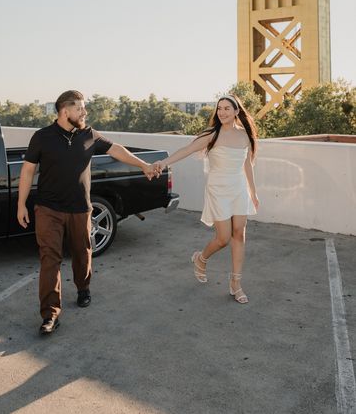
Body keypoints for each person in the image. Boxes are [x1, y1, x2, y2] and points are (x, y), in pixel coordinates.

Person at [17, 89, 158, 335]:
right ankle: (50, 314)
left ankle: (83, 288)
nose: (85, 112)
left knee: (82, 253)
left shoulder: (89, 135)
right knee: (50, 259)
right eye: (80, 108)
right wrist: (21, 204)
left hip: (80, 208)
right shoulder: (42, 137)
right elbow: (28, 171)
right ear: (65, 111)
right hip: (48, 209)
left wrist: (144, 164)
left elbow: (117, 150)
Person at [153, 94, 259, 304]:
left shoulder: (245, 135)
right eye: (219, 108)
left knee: (239, 234)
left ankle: (235, 284)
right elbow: (187, 149)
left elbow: (247, 164)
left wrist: (253, 192)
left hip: (238, 188)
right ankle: (201, 259)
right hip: (218, 188)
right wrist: (164, 163)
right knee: (223, 238)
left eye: (227, 108)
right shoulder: (213, 134)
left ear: (237, 112)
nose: (222, 112)